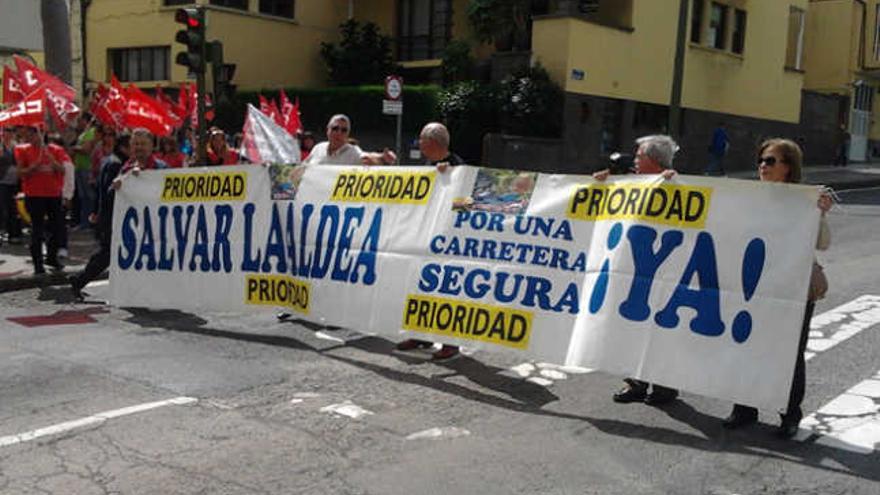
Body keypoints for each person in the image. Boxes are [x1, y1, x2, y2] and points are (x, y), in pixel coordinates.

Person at [722, 138, 832, 439]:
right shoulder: (749, 196)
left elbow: (822, 243)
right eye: (761, 160)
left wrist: (819, 213)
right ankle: (744, 408)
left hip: (792, 288)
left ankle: (789, 413)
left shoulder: (805, 201)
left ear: (788, 167)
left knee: (789, 353)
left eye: (770, 161)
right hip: (753, 286)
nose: (762, 166)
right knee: (746, 345)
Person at [595, 134, 680, 406]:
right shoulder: (630, 182)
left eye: (640, 156)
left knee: (660, 329)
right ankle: (636, 382)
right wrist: (601, 181)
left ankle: (665, 385)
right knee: (633, 326)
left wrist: (673, 180)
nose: (635, 160)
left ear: (655, 160)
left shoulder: (675, 183)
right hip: (632, 266)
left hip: (663, 268)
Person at [395, 122, 464, 362]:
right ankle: (420, 334)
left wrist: (449, 179)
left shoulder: (458, 166)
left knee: (445, 291)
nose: (419, 144)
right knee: (419, 286)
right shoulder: (428, 166)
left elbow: (465, 203)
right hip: (425, 237)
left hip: (447, 241)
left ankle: (450, 342)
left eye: (421, 140)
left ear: (433, 142)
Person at [70, 133, 131, 301]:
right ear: (124, 147)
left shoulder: (111, 161)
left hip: (106, 215)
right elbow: (109, 192)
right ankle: (79, 280)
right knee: (107, 254)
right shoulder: (117, 165)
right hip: (111, 217)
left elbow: (99, 189)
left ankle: (80, 279)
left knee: (108, 253)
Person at [14, 126, 71, 274]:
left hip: (53, 194)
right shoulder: (22, 150)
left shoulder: (56, 150)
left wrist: (51, 160)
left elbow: (63, 170)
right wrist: (34, 167)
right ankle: (37, 264)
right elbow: (20, 173)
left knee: (56, 227)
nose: (28, 137)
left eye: (31, 134)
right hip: (34, 195)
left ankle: (51, 258)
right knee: (37, 230)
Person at [0, 127, 23, 245]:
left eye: (9, 131)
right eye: (5, 131)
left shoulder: (17, 146)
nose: (7, 134)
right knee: (2, 208)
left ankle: (14, 233)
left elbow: (21, 160)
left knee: (14, 209)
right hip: (2, 181)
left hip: (15, 181)